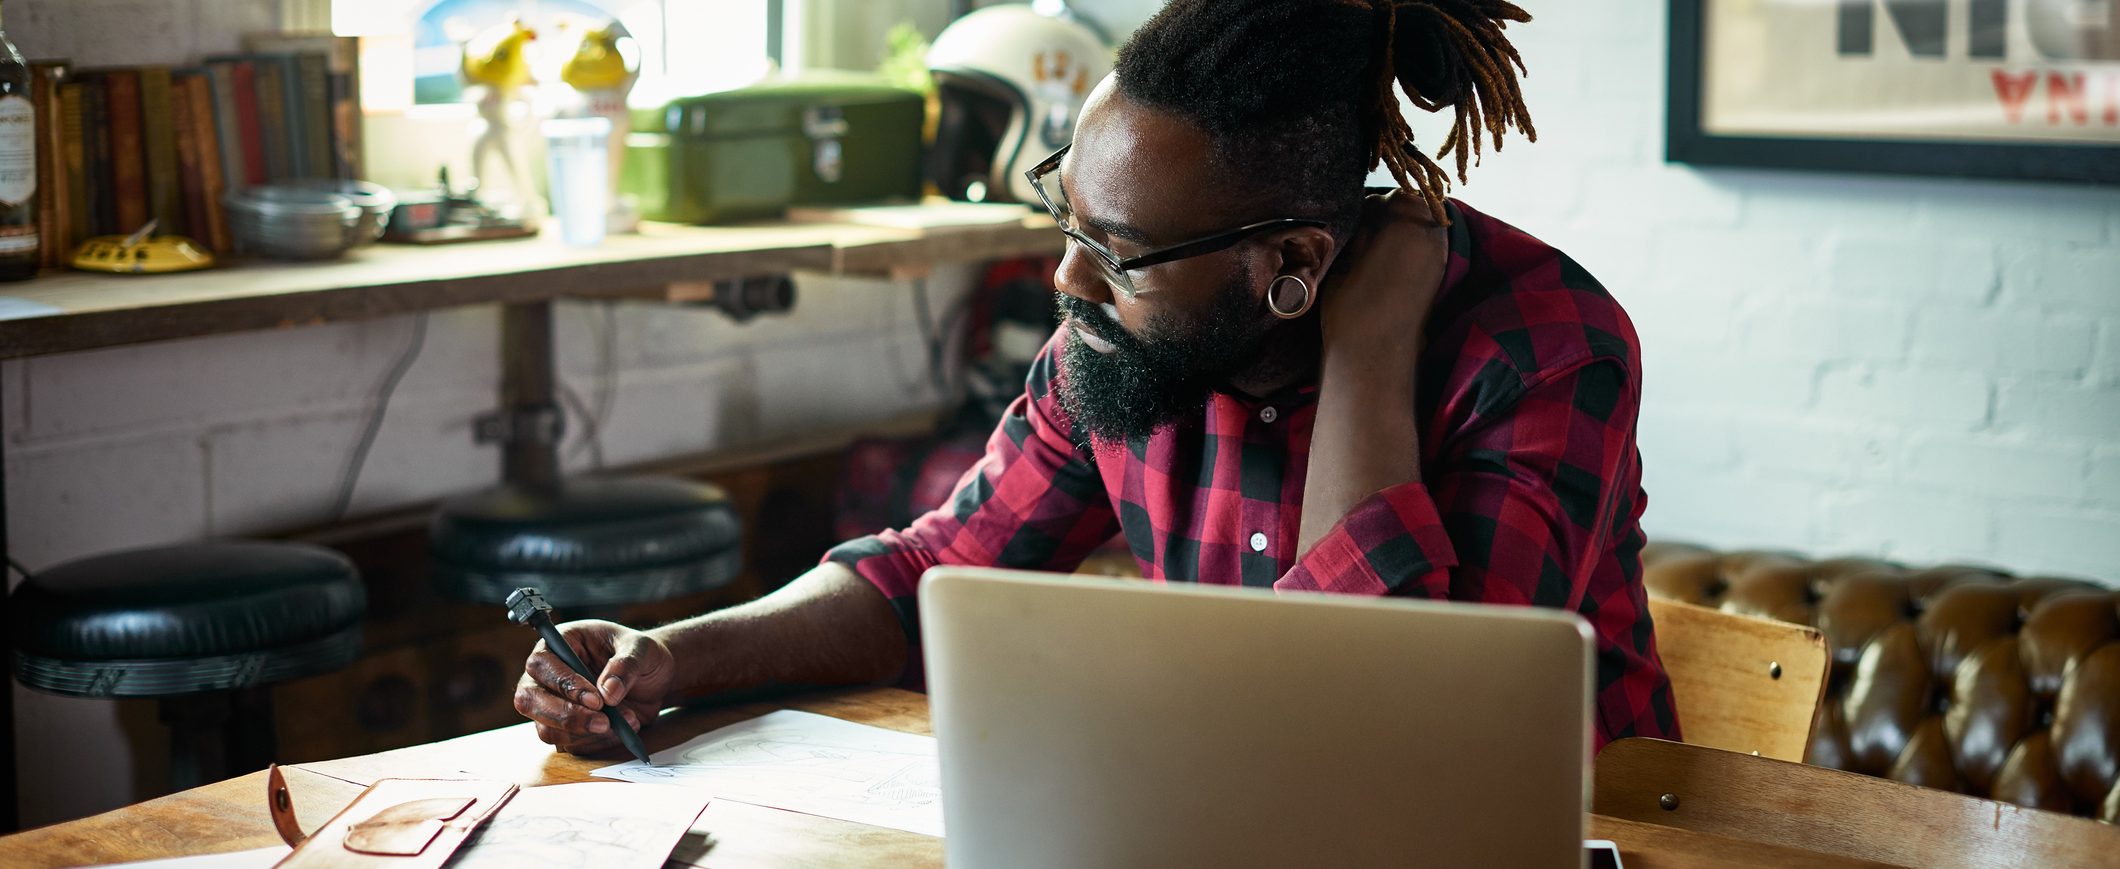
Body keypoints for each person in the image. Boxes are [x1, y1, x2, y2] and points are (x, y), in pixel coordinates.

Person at [515, 0, 1679, 754]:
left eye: (1116, 253)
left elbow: (1397, 730)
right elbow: (933, 571)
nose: (1064, 278)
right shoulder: (1117, 345)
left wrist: (1368, 357)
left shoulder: (1544, 345)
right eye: (1063, 211)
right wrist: (675, 655)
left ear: (1290, 265)